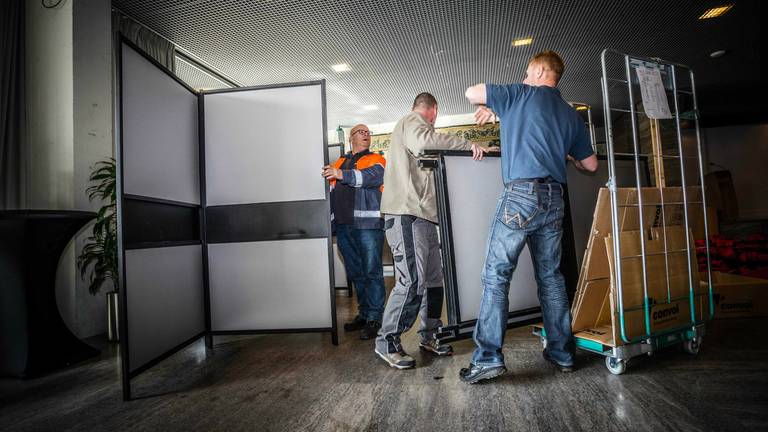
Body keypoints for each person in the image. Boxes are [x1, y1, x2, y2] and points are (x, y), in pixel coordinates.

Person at [458, 50, 598, 383]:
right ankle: (562, 353)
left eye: (525, 73)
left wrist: (500, 100)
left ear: (537, 71)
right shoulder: (569, 113)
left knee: (496, 276)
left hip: (521, 196)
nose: (523, 78)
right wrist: (567, 155)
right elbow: (591, 165)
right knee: (551, 279)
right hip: (555, 200)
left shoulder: (521, 93)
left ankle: (488, 358)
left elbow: (471, 93)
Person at [374, 92, 489, 369]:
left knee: (434, 281)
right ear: (433, 111)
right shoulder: (412, 122)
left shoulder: (417, 129)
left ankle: (429, 334)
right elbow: (423, 142)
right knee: (411, 281)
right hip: (405, 215)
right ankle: (386, 340)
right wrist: (465, 144)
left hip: (424, 217)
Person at [323, 124, 387, 340]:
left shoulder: (376, 159)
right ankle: (364, 313)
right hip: (343, 226)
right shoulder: (339, 162)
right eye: (361, 132)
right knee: (356, 273)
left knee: (372, 271)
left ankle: (375, 318)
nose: (366, 134)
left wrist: (340, 173)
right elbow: (329, 189)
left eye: (368, 132)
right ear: (351, 138)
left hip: (367, 226)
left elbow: (371, 178)